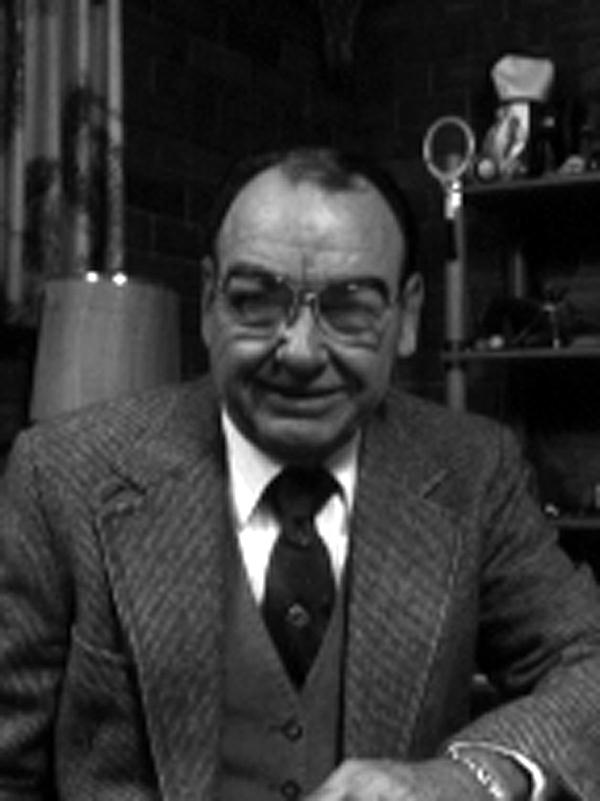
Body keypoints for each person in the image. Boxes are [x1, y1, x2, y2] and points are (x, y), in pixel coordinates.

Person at [1, 147, 599, 801]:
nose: (301, 351)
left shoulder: (474, 469)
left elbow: (588, 660)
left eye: (349, 308)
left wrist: (478, 775)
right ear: (208, 302)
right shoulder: (60, 475)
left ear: (408, 316)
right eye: (257, 301)